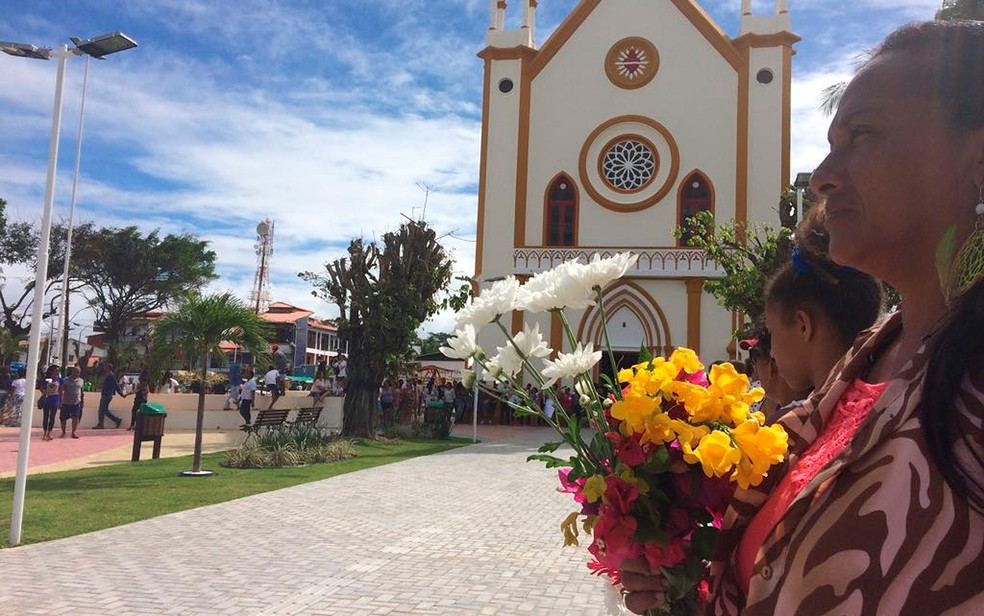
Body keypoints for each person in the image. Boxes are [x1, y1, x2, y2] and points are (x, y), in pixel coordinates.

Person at [622, 21, 984, 615]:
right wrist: (683, 593)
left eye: (861, 134)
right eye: (832, 142)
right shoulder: (867, 359)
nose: (822, 176)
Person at [94, 363, 127, 429]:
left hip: (107, 395)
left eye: (105, 367)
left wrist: (121, 393)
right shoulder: (109, 375)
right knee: (105, 411)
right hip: (106, 394)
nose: (104, 368)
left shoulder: (111, 375)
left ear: (108, 368)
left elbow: (116, 385)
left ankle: (100, 424)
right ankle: (117, 420)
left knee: (101, 410)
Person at [59, 366, 85, 439]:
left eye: (78, 372)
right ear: (72, 372)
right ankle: (63, 432)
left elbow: (82, 391)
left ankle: (73, 432)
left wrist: (82, 401)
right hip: (66, 402)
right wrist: (60, 401)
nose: (76, 373)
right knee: (63, 418)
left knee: (75, 418)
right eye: (75, 372)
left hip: (76, 403)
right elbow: (61, 391)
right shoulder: (65, 380)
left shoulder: (81, 381)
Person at [39, 365, 61, 441]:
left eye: (58, 371)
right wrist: (45, 392)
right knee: (45, 417)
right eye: (56, 370)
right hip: (47, 400)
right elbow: (41, 388)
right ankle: (44, 433)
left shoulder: (59, 379)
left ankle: (49, 433)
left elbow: (60, 390)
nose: (57, 372)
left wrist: (60, 401)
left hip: (55, 400)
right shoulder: (46, 379)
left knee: (52, 417)